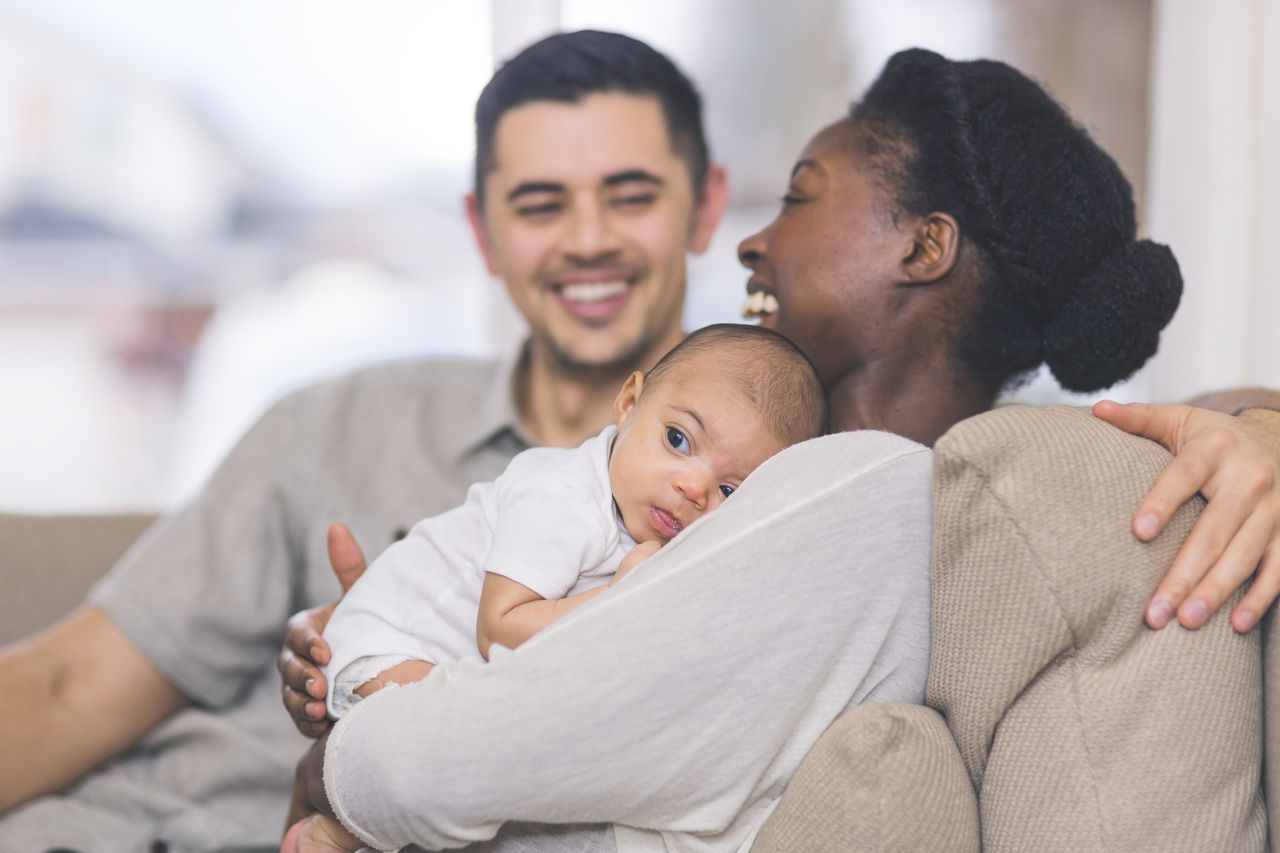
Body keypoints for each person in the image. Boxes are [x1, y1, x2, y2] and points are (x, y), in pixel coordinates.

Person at [0, 28, 1273, 853]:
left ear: (697, 204)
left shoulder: (841, 487)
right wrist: (385, 640)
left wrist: (1264, 429)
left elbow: (1079, 468)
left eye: (632, 194)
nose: (591, 241)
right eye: (539, 201)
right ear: (483, 227)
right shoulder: (340, 422)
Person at [294, 323, 827, 853]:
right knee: (477, 748)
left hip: (451, 674)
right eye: (678, 439)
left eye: (731, 490)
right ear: (629, 403)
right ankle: (339, 830)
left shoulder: (661, 534)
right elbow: (499, 628)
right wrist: (622, 596)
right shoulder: (564, 495)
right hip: (381, 648)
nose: (694, 488)